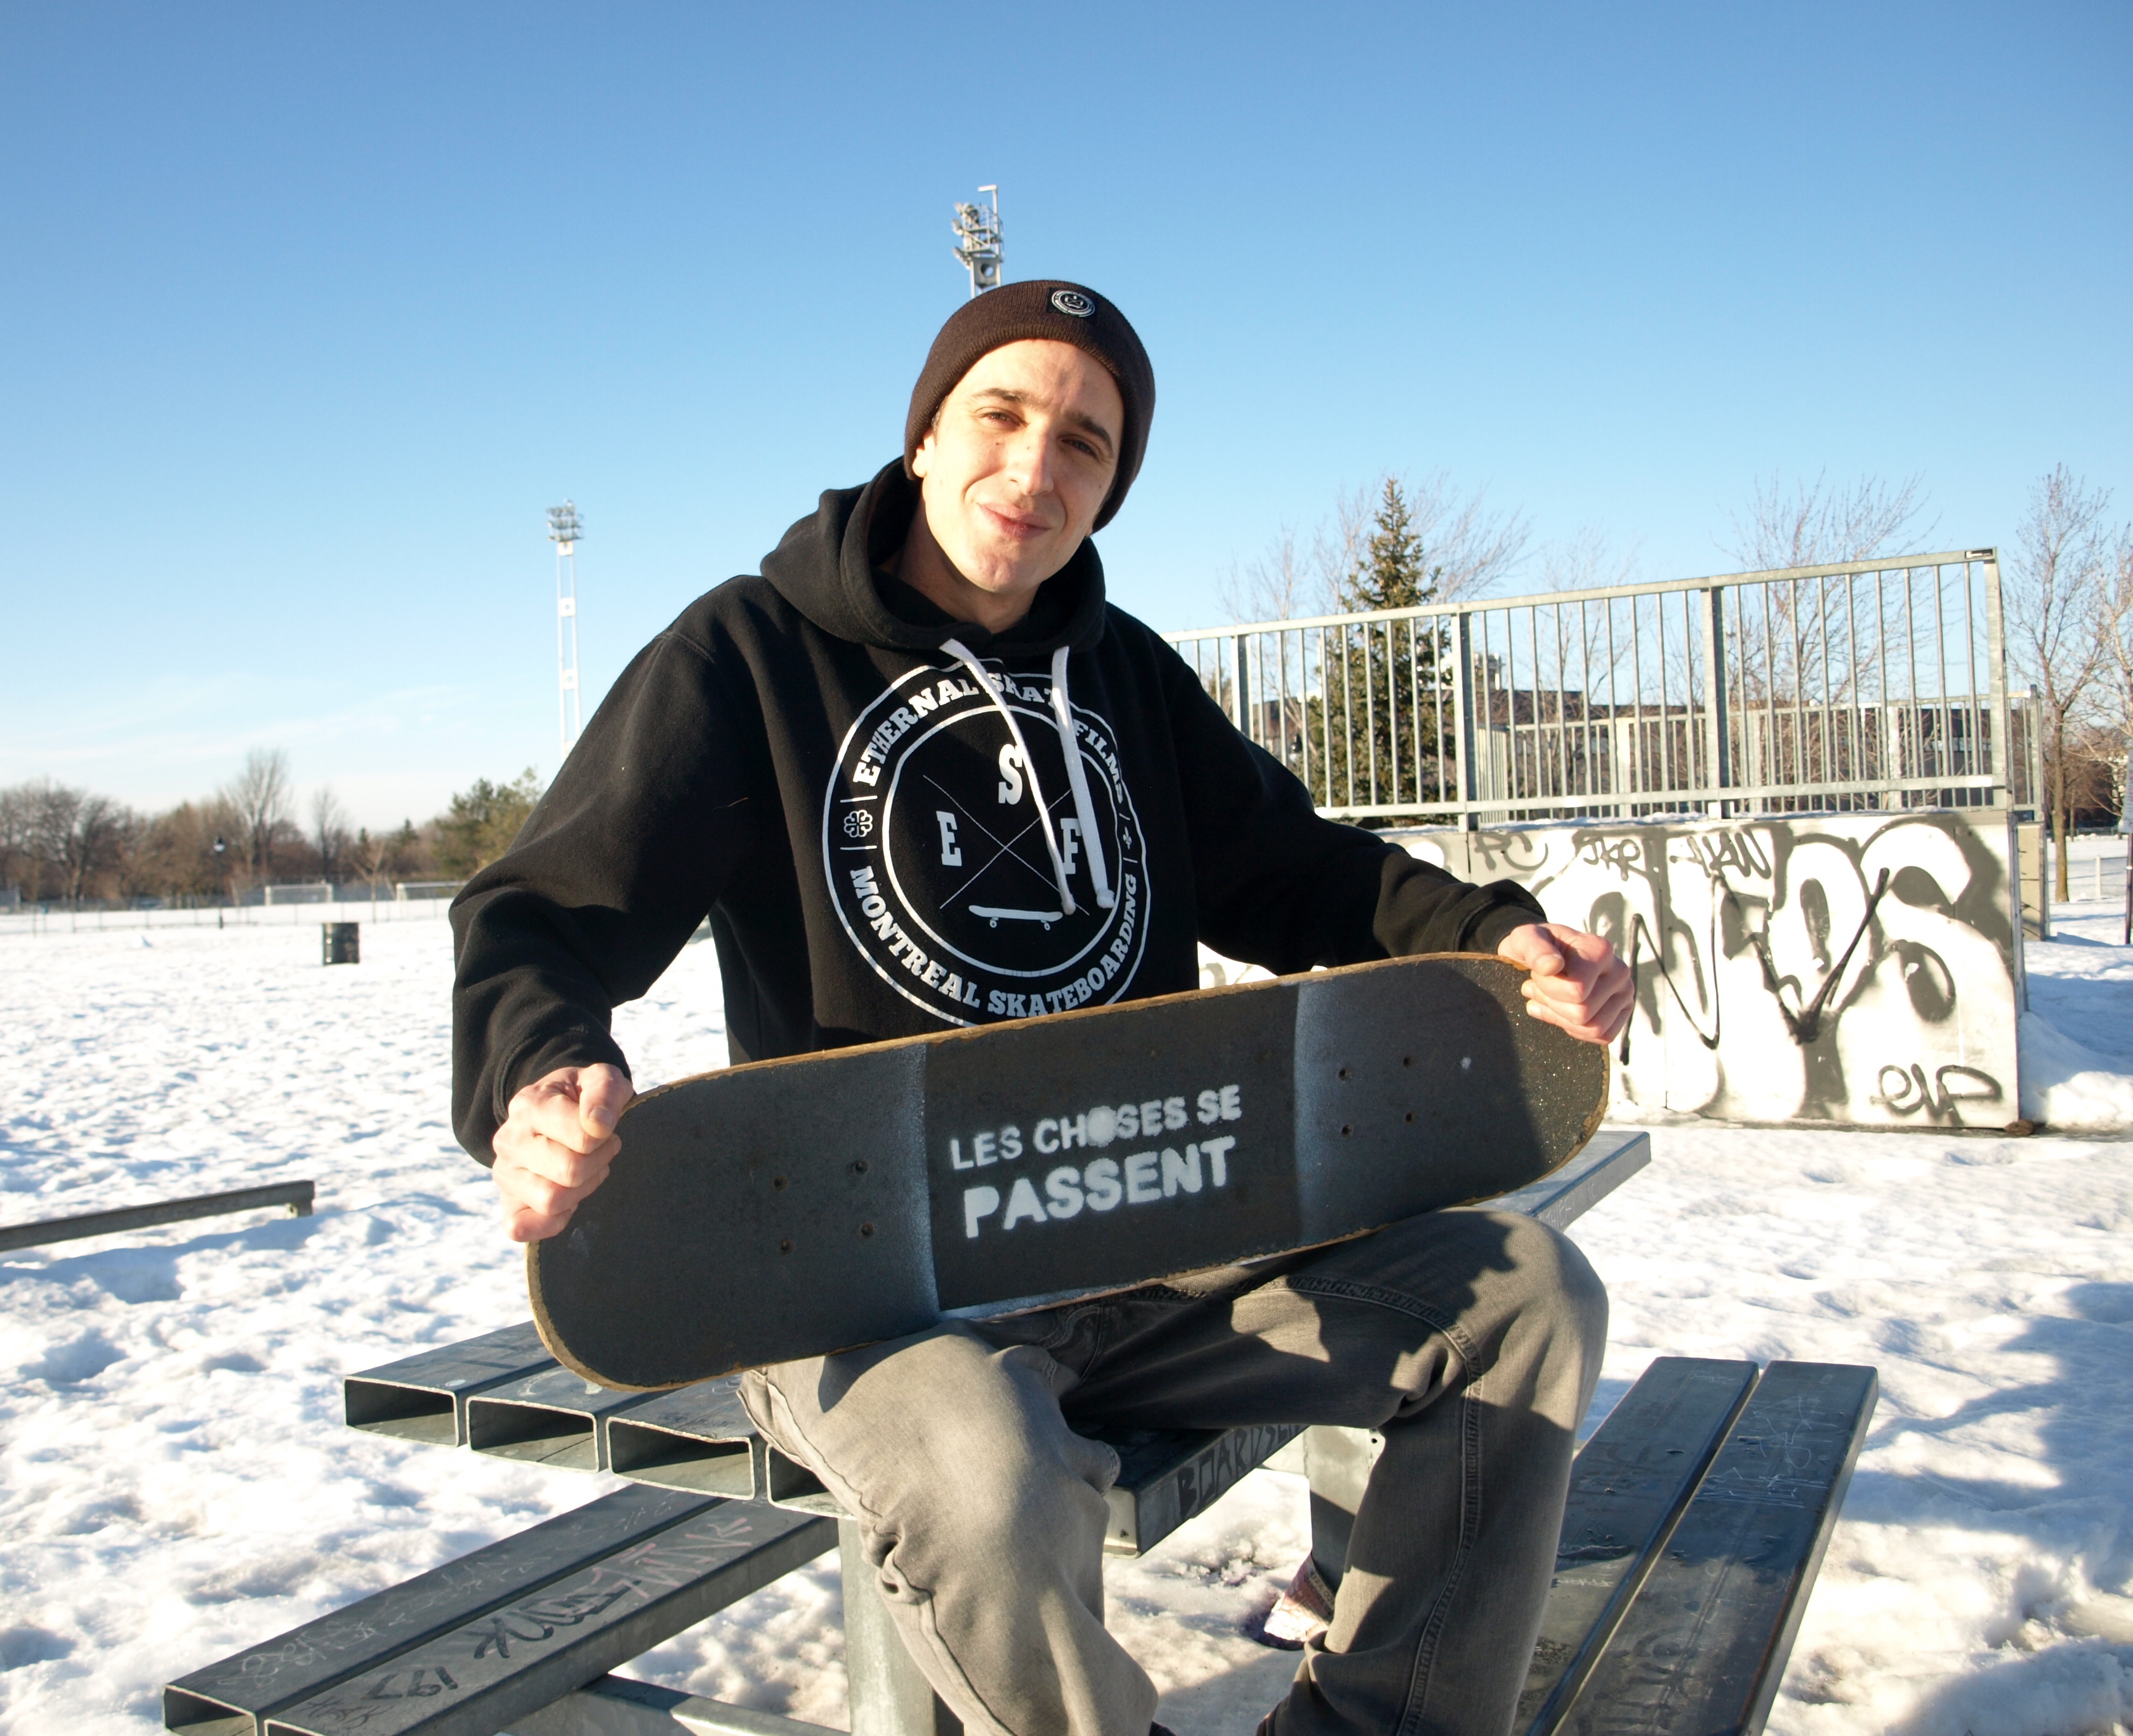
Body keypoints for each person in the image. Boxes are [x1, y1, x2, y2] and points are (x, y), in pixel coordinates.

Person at [451, 280, 1635, 1736]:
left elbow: (1298, 871)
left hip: (1156, 1237)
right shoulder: (746, 657)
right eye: (1002, 416)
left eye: (1086, 443)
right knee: (984, 1478)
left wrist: (1500, 937)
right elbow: (542, 915)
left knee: (1528, 1301)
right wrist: (543, 1069)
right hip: (869, 1286)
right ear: (926, 438)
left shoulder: (1124, 673)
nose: (1036, 467)